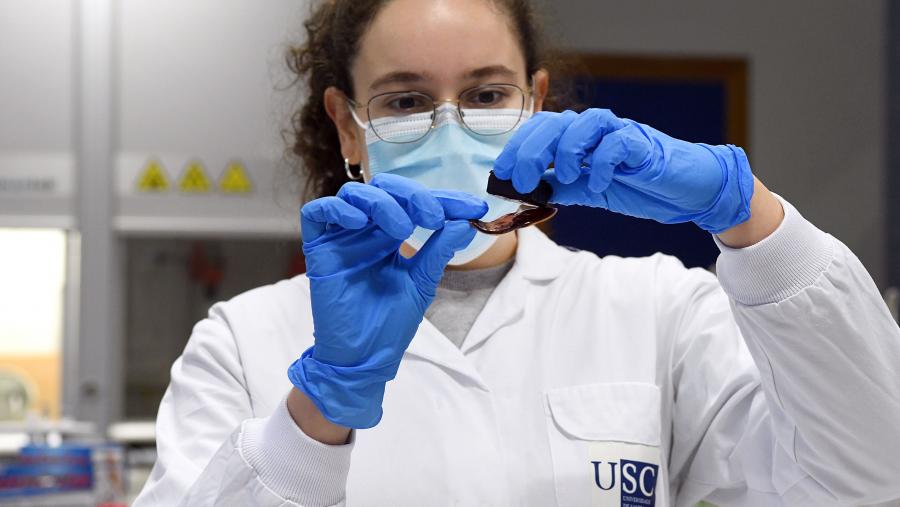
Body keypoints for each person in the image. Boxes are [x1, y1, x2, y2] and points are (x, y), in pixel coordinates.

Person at [133, 0, 900, 506]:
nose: (452, 131)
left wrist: (752, 217)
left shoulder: (660, 309)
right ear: (347, 126)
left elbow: (868, 477)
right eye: (404, 101)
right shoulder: (241, 341)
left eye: (487, 95)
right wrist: (319, 407)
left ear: (534, 99)